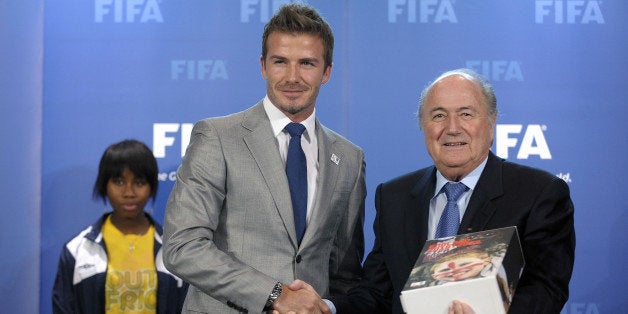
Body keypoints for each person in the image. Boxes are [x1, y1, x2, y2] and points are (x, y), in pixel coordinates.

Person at [162, 3, 366, 314]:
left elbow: (344, 273)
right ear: (263, 66)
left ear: (327, 72)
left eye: (307, 63)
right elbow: (182, 247)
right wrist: (274, 295)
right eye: (280, 62)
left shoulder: (349, 158)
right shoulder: (217, 137)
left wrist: (326, 306)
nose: (292, 77)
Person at [326, 68, 575, 314]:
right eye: (438, 116)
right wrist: (327, 308)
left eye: (466, 114)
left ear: (491, 121)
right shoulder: (394, 197)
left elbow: (547, 290)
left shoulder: (538, 192)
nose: (452, 128)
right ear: (423, 125)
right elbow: (376, 293)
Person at [52, 139, 187, 313]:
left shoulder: (175, 249)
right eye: (119, 182)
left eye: (139, 183)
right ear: (104, 185)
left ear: (151, 187)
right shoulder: (77, 250)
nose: (129, 193)